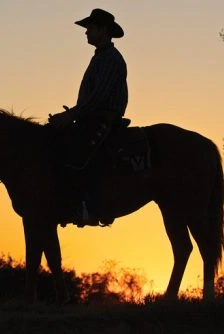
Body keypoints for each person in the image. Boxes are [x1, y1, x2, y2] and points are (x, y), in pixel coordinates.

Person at [49, 8, 128, 226]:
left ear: (103, 30)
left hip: (104, 119)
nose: (86, 33)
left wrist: (72, 114)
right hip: (91, 116)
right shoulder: (101, 57)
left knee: (80, 153)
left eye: (90, 28)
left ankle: (89, 206)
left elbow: (98, 97)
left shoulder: (111, 58)